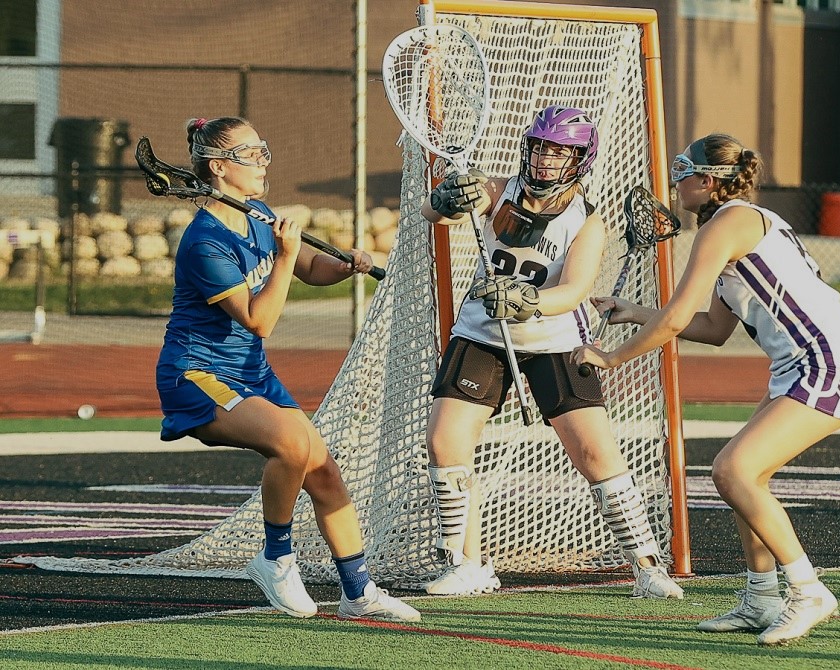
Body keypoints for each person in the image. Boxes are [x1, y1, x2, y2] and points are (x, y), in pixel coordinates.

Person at [572, 133, 840, 645]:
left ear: (707, 181)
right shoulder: (731, 224)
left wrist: (610, 356)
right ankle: (761, 598)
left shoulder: (729, 222)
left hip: (827, 364)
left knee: (732, 470)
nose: (675, 183)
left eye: (683, 171)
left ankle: (808, 591)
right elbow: (714, 329)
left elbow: (674, 319)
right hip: (799, 367)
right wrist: (635, 313)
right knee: (743, 475)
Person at [155, 116, 419, 623]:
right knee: (292, 445)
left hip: (250, 373)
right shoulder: (204, 242)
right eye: (249, 153)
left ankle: (358, 590)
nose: (262, 161)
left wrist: (343, 268)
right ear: (218, 167)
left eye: (262, 149)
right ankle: (274, 558)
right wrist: (284, 257)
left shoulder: (256, 213)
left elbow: (310, 271)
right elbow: (261, 320)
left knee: (323, 470)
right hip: (197, 374)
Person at [418, 105, 684, 600]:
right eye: (539, 148)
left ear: (580, 160)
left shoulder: (587, 221)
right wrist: (446, 199)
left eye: (559, 153)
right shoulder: (500, 191)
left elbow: (574, 291)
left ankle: (647, 567)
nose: (544, 161)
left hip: (554, 342)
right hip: (481, 334)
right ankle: (464, 563)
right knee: (444, 441)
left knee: (594, 452)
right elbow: (433, 215)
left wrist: (528, 300)